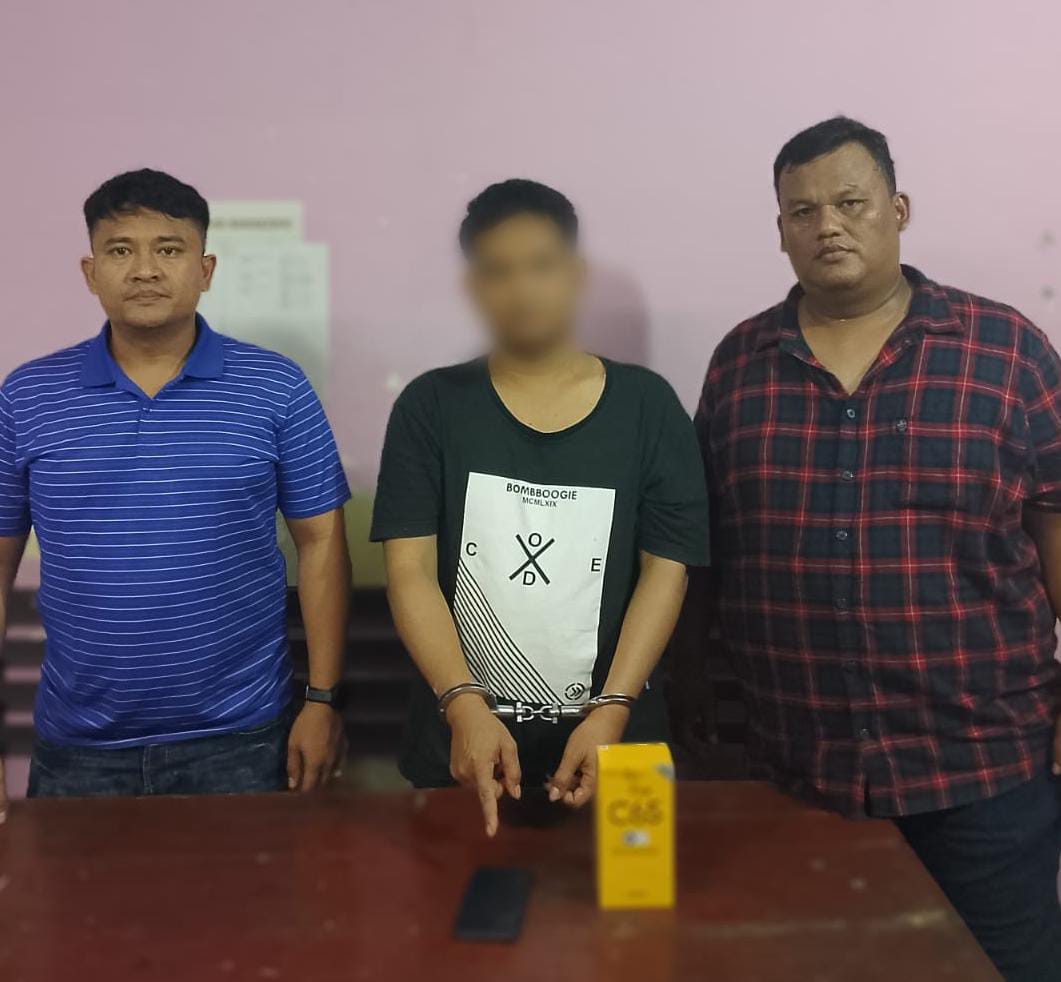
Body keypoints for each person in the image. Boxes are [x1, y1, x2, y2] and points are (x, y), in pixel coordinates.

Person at [691, 116, 1061, 979]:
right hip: (795, 768)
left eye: (850, 203)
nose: (827, 225)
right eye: (802, 211)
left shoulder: (1005, 352)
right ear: (779, 230)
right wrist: (688, 689)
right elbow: (709, 548)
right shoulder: (739, 364)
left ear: (897, 210)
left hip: (982, 770)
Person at [0, 169, 351, 817]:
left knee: (250, 891)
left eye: (169, 249)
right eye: (120, 249)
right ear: (90, 271)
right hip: (78, 748)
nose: (144, 270)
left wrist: (323, 700)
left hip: (242, 738)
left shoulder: (275, 386)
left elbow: (323, 541)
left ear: (205, 269)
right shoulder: (27, 396)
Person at [371, 179, 709, 836]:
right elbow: (409, 572)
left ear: (576, 274)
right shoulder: (430, 406)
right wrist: (462, 705)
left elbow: (665, 572)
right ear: (472, 286)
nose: (521, 288)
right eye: (497, 270)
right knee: (454, 896)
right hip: (461, 748)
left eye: (541, 265)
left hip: (624, 745)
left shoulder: (648, 406)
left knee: (635, 901)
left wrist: (613, 709)